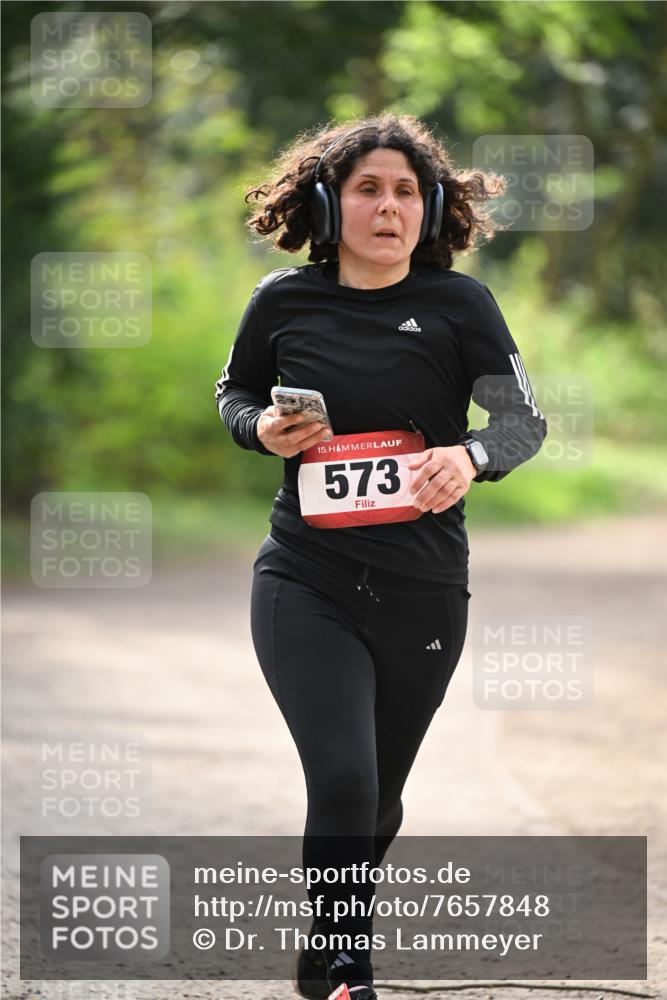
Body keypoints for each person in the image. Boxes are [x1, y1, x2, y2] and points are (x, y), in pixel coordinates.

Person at [214, 112, 547, 1000]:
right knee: (343, 775)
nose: (387, 207)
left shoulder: (458, 306)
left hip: (424, 588)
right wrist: (262, 429)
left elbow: (521, 422)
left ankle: (325, 940)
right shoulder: (285, 299)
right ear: (329, 204)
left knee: (378, 798)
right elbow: (236, 390)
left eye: (405, 190)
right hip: (305, 577)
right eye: (366, 189)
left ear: (429, 206)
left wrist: (469, 456)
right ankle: (345, 971)